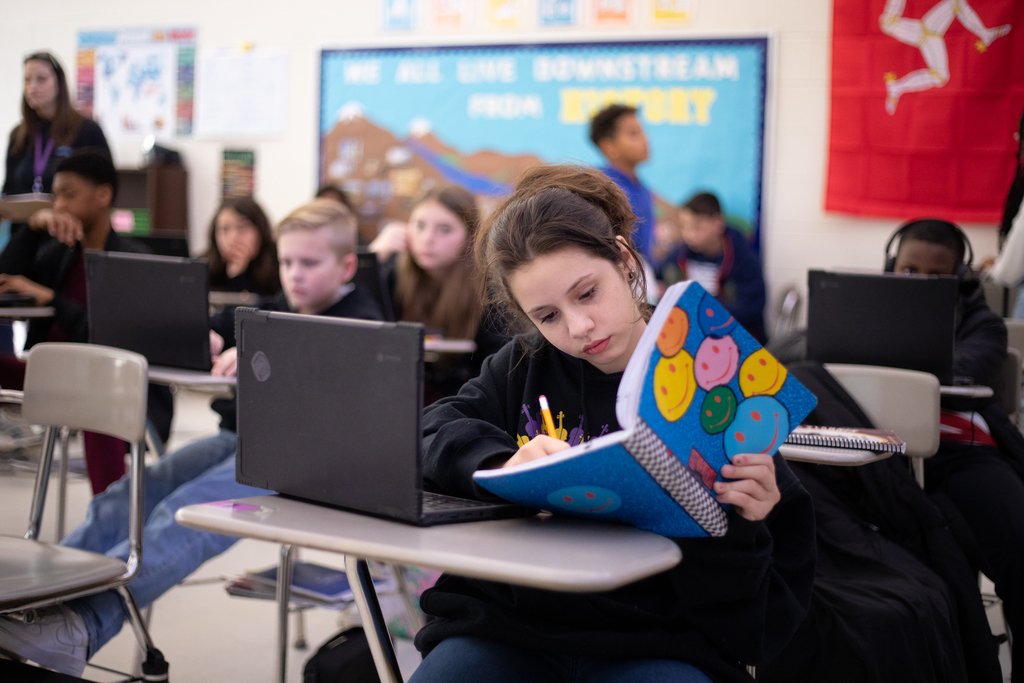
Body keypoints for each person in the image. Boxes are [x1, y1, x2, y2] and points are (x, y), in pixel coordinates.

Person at [408, 165, 815, 683]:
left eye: (586, 293)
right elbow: (431, 428)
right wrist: (500, 461)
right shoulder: (523, 364)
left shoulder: (712, 373)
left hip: (660, 640)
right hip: (511, 627)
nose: (579, 328)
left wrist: (745, 521)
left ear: (624, 260)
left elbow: (762, 625)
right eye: (547, 316)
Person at [0, 199, 383, 676]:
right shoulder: (283, 304)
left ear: (347, 266)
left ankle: (78, 625)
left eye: (309, 263)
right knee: (126, 499)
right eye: (286, 262)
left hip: (306, 463)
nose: (294, 274)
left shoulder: (362, 318)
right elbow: (233, 322)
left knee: (185, 513)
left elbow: (321, 365)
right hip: (246, 442)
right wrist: (216, 338)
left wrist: (261, 356)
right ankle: (42, 602)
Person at [889, 219, 1024, 681]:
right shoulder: (858, 313)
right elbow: (799, 351)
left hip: (965, 454)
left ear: (962, 279)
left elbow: (968, 366)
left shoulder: (982, 325)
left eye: (936, 277)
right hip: (885, 462)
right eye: (908, 271)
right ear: (890, 268)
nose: (919, 285)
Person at [0, 149, 158, 495]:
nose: (58, 205)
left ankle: (111, 514)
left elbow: (113, 339)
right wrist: (32, 227)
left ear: (103, 195)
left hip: (108, 380)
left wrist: (53, 300)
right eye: (55, 196)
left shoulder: (131, 261)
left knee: (98, 396)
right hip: (51, 373)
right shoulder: (59, 254)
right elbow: (5, 274)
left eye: (68, 194)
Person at [371, 185, 507, 402]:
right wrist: (372, 259)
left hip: (461, 406)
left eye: (444, 229)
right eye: (419, 225)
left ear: (470, 239)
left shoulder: (489, 290)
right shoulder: (392, 274)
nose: (427, 238)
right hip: (395, 401)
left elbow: (497, 369)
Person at [659, 192, 767, 342]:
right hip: (692, 336)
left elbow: (751, 308)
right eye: (684, 227)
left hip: (735, 340)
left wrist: (702, 311)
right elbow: (658, 273)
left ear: (718, 223)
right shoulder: (681, 253)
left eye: (696, 227)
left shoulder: (743, 259)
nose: (688, 235)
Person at [3, 52, 109, 204]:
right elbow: (8, 190)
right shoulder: (18, 135)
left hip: (68, 224)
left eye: (41, 79)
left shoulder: (87, 130)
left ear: (59, 82)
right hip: (24, 225)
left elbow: (104, 187)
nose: (33, 87)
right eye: (27, 80)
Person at [589, 104, 656, 264]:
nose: (645, 139)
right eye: (633, 134)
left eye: (642, 131)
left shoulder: (642, 188)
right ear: (609, 147)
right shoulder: (601, 189)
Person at [205, 197, 280, 296]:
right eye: (224, 229)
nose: (232, 239)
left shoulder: (280, 265)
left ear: (260, 230)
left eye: (242, 227)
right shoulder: (205, 268)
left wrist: (239, 278)